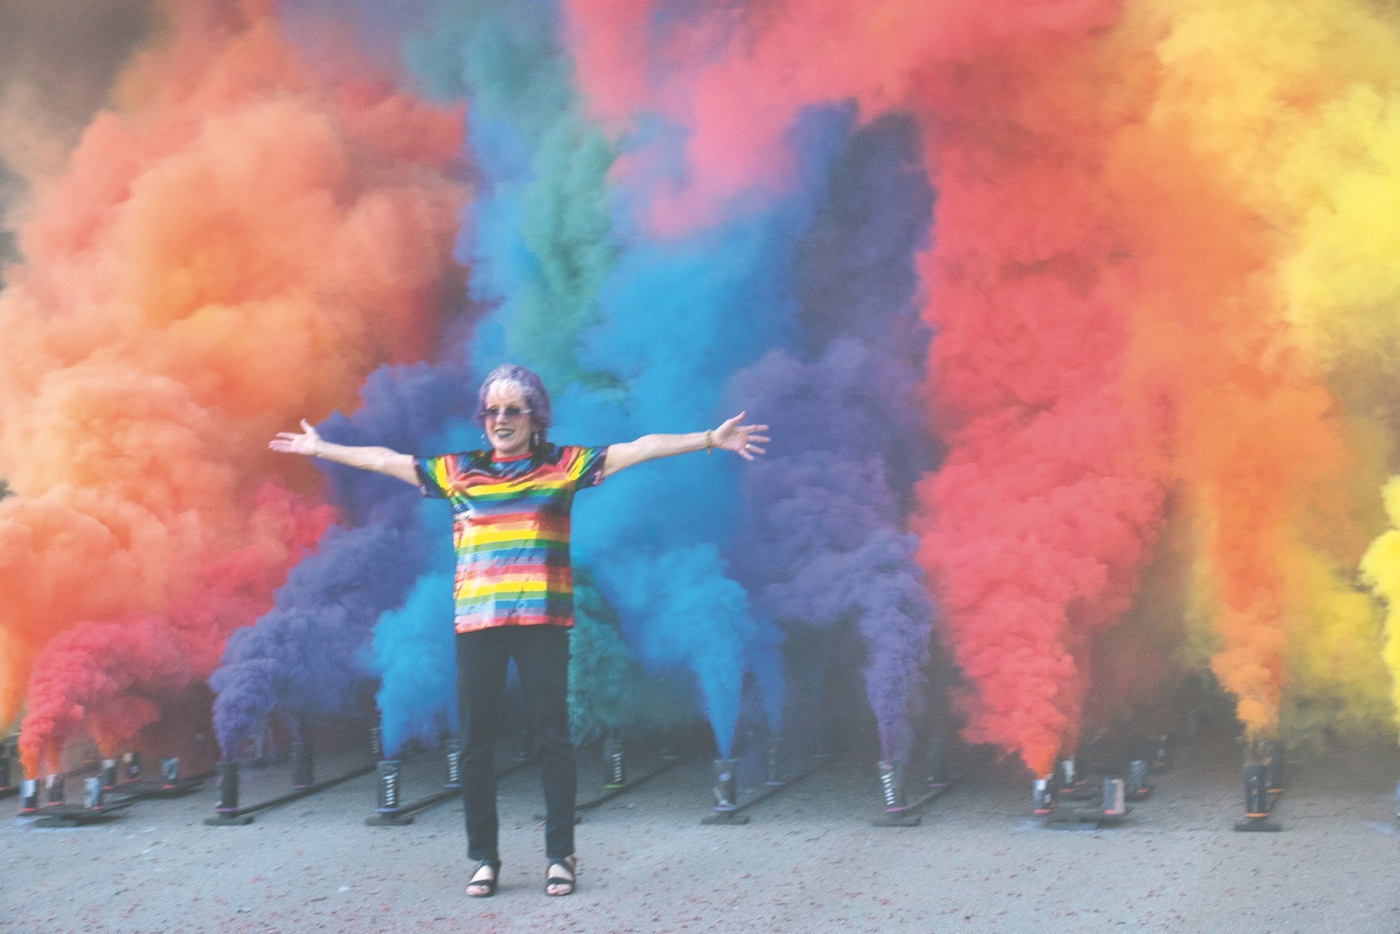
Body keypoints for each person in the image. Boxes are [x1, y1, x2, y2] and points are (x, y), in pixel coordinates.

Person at [269, 363, 769, 898]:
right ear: (483, 419)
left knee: (555, 740)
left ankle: (561, 856)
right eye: (493, 411)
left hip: (543, 624)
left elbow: (639, 447)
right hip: (478, 626)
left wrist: (710, 439)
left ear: (535, 418)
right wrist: (322, 449)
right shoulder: (459, 471)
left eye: (514, 410)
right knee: (476, 746)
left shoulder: (564, 464)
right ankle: (483, 858)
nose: (501, 419)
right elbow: (388, 462)